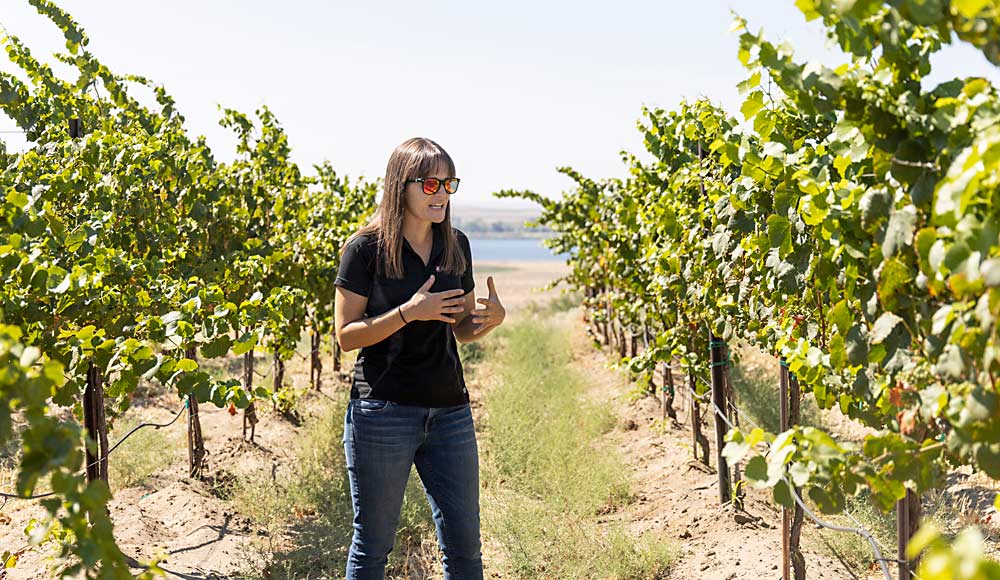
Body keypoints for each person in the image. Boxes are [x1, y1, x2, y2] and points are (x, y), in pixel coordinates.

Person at [333, 136, 506, 580]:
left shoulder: (456, 245)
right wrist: (410, 312)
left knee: (466, 547)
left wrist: (489, 320)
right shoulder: (365, 250)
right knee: (372, 547)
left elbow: (462, 328)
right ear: (400, 186)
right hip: (382, 412)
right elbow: (346, 337)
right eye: (430, 185)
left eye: (449, 184)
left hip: (450, 412)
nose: (442, 195)